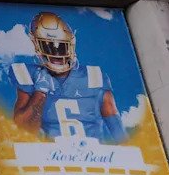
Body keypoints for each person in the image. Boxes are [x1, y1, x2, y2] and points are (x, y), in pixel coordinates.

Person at [10, 11, 124, 143]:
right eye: (49, 46)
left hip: (95, 156)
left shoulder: (94, 76)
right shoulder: (28, 74)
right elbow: (24, 130)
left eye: (62, 47)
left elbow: (116, 127)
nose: (57, 53)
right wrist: (40, 92)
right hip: (51, 155)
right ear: (36, 45)